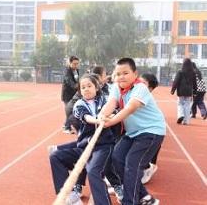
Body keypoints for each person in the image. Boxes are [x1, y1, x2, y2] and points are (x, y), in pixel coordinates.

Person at [99, 58, 165, 205]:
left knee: (132, 164)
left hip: (151, 131)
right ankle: (145, 197)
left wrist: (110, 122)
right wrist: (101, 115)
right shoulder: (116, 86)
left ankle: (130, 201)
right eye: (118, 73)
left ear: (135, 74)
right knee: (117, 157)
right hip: (133, 133)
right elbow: (111, 103)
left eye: (125, 73)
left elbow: (130, 108)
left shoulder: (140, 88)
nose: (121, 76)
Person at [49, 74, 115, 205]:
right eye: (82, 87)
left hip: (103, 147)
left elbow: (114, 110)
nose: (86, 89)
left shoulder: (105, 100)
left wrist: (110, 115)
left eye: (89, 86)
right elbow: (86, 117)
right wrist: (98, 119)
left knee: (93, 172)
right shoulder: (79, 104)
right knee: (55, 156)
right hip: (84, 148)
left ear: (97, 87)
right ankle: (70, 195)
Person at [140, 73, 161, 185]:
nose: (139, 85)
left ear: (150, 89)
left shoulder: (145, 98)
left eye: (143, 83)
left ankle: (147, 167)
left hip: (151, 133)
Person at [171, 58, 197, 125]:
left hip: (181, 90)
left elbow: (176, 81)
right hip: (189, 91)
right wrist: (195, 91)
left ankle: (181, 115)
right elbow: (195, 83)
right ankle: (186, 121)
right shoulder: (193, 72)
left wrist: (173, 90)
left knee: (180, 104)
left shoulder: (180, 71)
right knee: (187, 105)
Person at [61, 56, 80, 134]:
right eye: (74, 64)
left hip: (73, 95)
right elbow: (70, 83)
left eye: (77, 64)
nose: (76, 65)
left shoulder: (77, 71)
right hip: (67, 95)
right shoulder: (67, 71)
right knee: (69, 111)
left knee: (71, 110)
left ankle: (66, 124)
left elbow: (77, 80)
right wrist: (78, 86)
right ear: (70, 63)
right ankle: (66, 127)